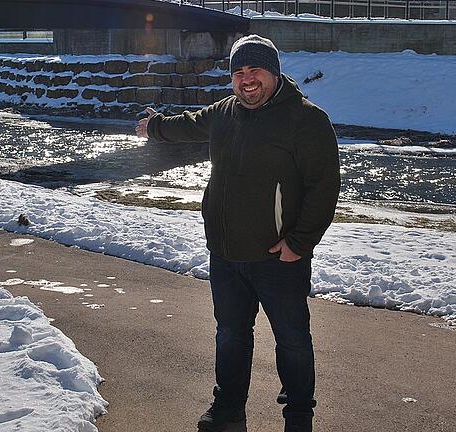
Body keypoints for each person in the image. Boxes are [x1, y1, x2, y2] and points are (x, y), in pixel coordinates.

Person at [136, 35, 340, 432]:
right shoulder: (226, 112)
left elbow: (324, 186)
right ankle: (228, 407)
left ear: (274, 73)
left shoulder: (307, 119)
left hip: (279, 256)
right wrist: (154, 127)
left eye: (255, 71)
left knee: (292, 339)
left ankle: (299, 415)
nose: (247, 80)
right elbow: (191, 125)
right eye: (239, 73)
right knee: (231, 335)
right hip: (227, 254)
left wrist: (299, 243)